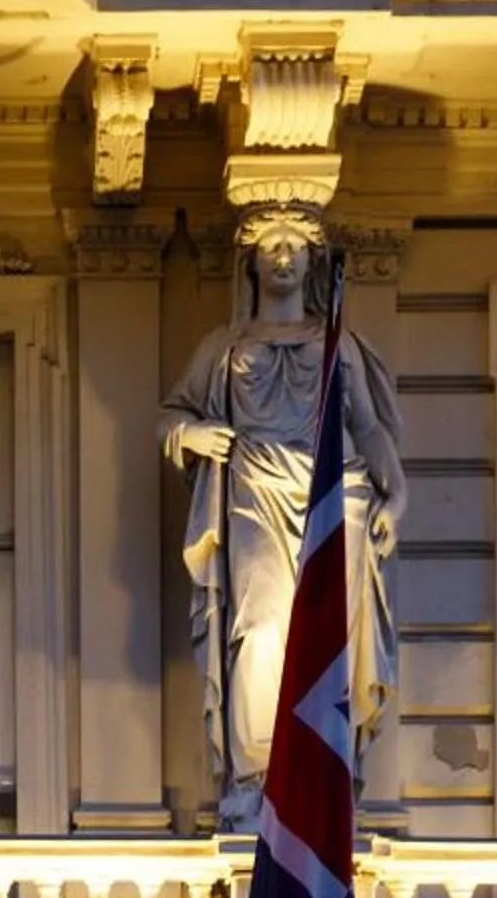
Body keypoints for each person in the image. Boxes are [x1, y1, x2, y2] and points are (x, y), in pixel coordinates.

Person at [162, 205, 406, 830]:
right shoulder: (223, 346)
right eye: (271, 244)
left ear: (312, 260)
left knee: (331, 638)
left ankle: (322, 772)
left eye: (295, 245)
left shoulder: (338, 342)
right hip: (252, 491)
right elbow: (172, 416)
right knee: (261, 631)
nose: (283, 256)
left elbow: (369, 426)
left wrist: (395, 495)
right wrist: (190, 434)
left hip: (336, 495)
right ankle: (260, 778)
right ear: (251, 258)